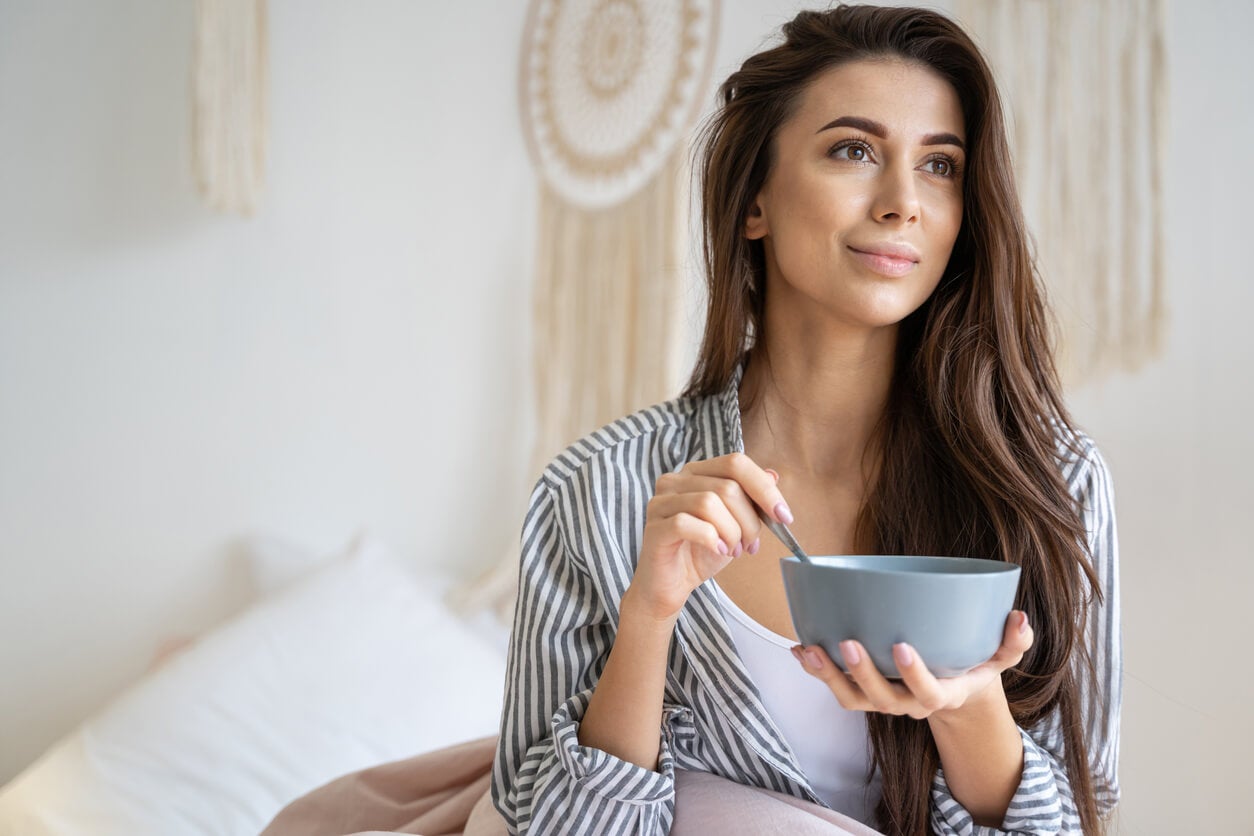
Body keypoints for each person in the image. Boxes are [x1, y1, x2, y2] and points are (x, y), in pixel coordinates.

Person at [490, 5, 1121, 835]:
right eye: (854, 151)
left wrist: (969, 711)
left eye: (940, 165)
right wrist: (648, 618)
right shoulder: (597, 489)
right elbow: (541, 827)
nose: (903, 203)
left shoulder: (1053, 488)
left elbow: (1085, 819)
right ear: (754, 199)